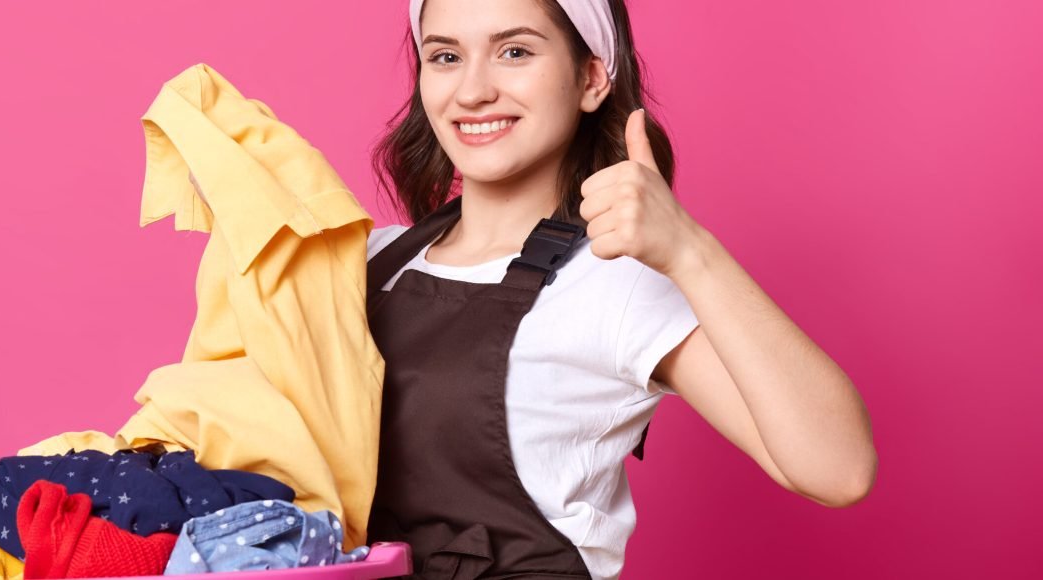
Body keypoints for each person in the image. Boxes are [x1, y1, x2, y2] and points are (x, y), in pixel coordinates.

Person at [361, 1, 878, 579]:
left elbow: (838, 470)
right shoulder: (369, 262)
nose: (473, 90)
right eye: (446, 56)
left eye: (515, 51)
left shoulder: (613, 281)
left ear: (591, 76)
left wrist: (691, 251)